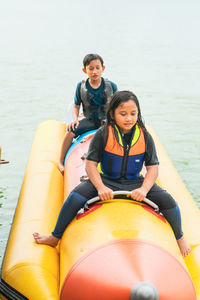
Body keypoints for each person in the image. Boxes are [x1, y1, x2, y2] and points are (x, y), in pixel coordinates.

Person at [33, 90, 191, 257]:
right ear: (113, 114)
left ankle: (179, 238)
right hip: (106, 180)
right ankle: (55, 236)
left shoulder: (144, 136)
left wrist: (144, 189)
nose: (129, 118)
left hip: (134, 182)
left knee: (169, 202)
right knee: (74, 198)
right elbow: (91, 164)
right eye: (123, 114)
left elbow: (153, 167)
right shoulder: (103, 133)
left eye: (133, 113)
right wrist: (100, 187)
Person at [58, 53, 118, 174]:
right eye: (91, 68)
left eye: (97, 68)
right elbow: (76, 106)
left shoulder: (111, 86)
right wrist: (74, 120)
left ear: (103, 68)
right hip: (90, 120)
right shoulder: (81, 86)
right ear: (84, 70)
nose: (94, 71)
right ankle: (60, 161)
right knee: (70, 131)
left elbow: (118, 106)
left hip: (106, 121)